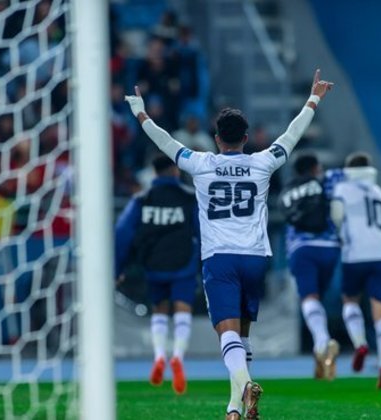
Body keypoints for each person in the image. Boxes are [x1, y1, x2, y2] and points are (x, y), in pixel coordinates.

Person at [126, 69, 333, 420]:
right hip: (255, 257)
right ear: (247, 138)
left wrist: (141, 113)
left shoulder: (202, 164)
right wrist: (313, 98)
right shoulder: (262, 162)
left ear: (216, 138)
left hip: (220, 259)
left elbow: (165, 143)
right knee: (243, 335)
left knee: (227, 333)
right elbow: (292, 135)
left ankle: (247, 385)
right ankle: (235, 408)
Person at [115, 155, 199, 395]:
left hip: (153, 264)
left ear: (154, 172)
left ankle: (160, 355)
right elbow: (202, 229)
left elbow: (122, 233)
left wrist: (118, 268)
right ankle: (178, 358)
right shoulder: (188, 197)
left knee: (159, 310)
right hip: (183, 263)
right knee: (182, 309)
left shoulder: (142, 199)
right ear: (175, 170)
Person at [330, 152, 381, 389]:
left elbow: (336, 218)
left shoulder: (342, 189)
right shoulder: (380, 193)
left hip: (355, 253)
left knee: (349, 300)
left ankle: (360, 343)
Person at [279, 153, 341, 380]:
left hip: (301, 248)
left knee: (309, 298)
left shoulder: (286, 192)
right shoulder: (327, 180)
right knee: (319, 299)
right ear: (315, 167)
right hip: (329, 247)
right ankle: (320, 357)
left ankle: (322, 344)